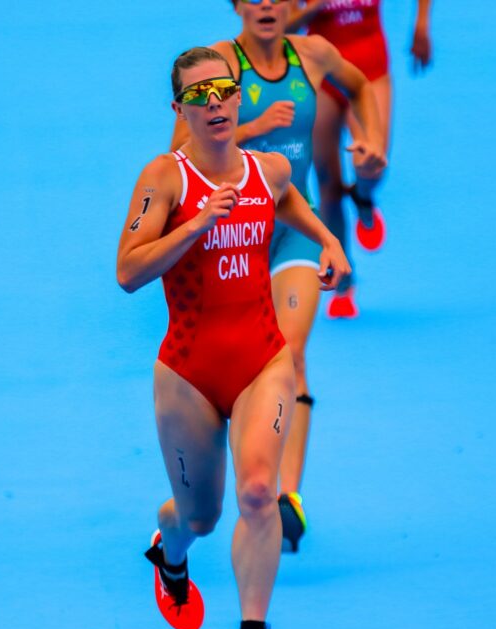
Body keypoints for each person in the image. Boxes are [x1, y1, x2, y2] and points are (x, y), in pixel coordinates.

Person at [118, 47, 350, 629]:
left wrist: (329, 240)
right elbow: (128, 272)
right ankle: (170, 551)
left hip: (261, 361)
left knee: (257, 491)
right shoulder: (164, 179)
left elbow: (292, 201)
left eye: (223, 90)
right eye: (198, 96)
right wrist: (194, 227)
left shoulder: (267, 169)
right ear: (180, 109)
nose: (214, 103)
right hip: (188, 374)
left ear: (237, 94)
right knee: (200, 516)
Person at [172, 0, 386, 553]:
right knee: (230, 362)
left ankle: (285, 494)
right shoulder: (219, 63)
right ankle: (231, 481)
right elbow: (178, 155)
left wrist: (369, 142)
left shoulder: (313, 55)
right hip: (232, 239)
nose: (267, 4)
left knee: (287, 354)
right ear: (238, 6)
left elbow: (362, 86)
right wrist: (252, 127)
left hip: (292, 228)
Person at [289, 0, 433, 318]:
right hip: (322, 78)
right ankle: (344, 278)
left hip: (370, 71)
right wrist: (313, 7)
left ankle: (364, 197)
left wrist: (421, 23)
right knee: (327, 184)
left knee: (373, 160)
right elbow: (283, 27)